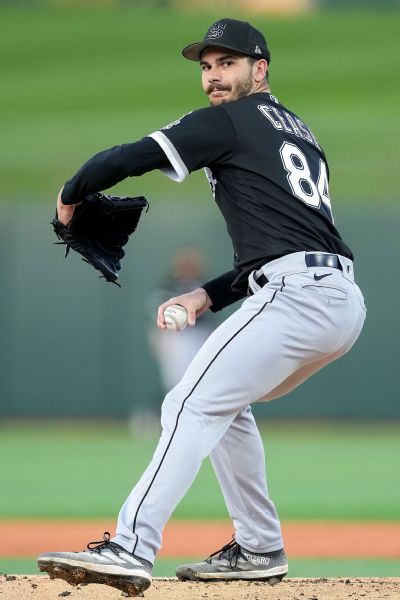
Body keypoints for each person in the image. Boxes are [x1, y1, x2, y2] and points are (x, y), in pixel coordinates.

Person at [38, 17, 366, 597]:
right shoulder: (298, 131)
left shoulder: (231, 120)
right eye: (207, 67)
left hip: (299, 298)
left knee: (187, 401)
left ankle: (131, 546)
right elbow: (286, 240)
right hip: (335, 300)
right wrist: (206, 295)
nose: (214, 77)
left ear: (259, 69)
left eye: (228, 64)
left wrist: (70, 195)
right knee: (223, 404)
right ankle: (260, 547)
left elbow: (134, 155)